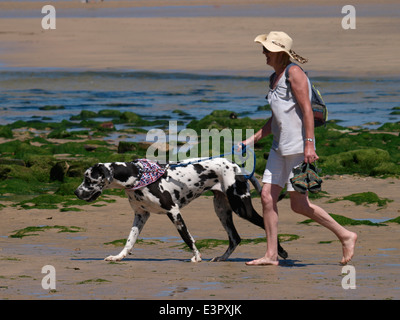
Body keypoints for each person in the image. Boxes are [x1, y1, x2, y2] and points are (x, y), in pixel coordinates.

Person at [242, 31, 357, 266]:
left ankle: (346, 235)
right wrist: (252, 139)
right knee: (266, 197)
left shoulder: (294, 73)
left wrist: (309, 145)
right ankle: (271, 255)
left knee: (299, 205)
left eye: (267, 49)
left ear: (278, 52)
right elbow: (277, 118)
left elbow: (306, 111)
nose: (263, 53)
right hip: (278, 148)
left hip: (298, 148)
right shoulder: (273, 77)